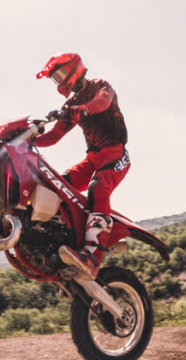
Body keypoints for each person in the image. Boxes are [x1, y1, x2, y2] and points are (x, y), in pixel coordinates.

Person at [35, 53, 130, 280]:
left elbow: (101, 102)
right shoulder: (71, 105)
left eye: (60, 75)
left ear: (74, 69)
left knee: (98, 188)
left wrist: (79, 110)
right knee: (57, 185)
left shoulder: (101, 86)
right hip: (92, 159)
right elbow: (53, 136)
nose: (58, 82)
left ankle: (93, 255)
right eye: (55, 78)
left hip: (115, 155)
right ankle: (61, 242)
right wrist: (29, 139)